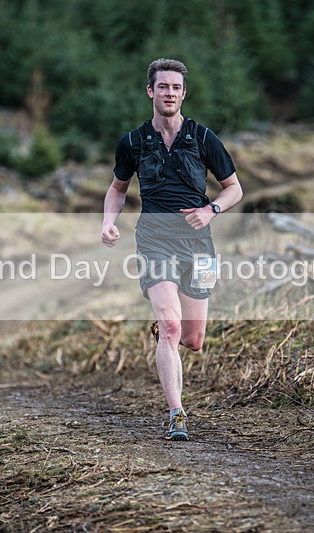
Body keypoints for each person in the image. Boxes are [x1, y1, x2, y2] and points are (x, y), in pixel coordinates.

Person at [101, 58, 242, 441]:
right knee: (171, 325)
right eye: (163, 86)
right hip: (153, 239)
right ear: (151, 91)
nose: (169, 93)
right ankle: (176, 413)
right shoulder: (131, 142)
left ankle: (169, 336)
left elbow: (234, 189)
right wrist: (108, 221)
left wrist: (210, 210)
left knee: (193, 339)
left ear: (184, 93)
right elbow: (117, 189)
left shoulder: (204, 138)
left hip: (199, 243)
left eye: (176, 88)